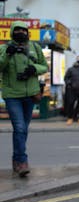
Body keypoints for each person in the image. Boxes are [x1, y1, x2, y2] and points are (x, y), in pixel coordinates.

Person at [0, 21, 48, 177]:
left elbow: (44, 66)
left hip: (30, 94)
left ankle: (16, 160)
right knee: (20, 128)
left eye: (24, 30)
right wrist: (8, 54)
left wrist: (33, 69)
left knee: (23, 130)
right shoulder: (4, 48)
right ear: (12, 32)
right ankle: (22, 162)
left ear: (28, 33)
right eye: (17, 30)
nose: (21, 32)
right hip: (12, 95)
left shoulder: (34, 47)